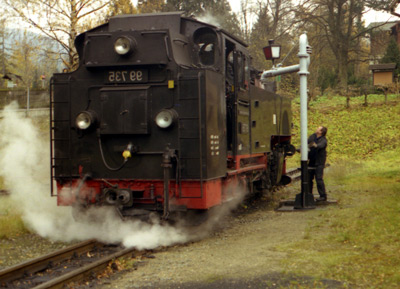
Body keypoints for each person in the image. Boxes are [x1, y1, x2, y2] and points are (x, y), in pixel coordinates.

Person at [308, 126, 328, 201]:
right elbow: (307, 142)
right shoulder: (312, 136)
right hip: (312, 160)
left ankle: (323, 196)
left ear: (321, 132)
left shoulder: (323, 140)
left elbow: (321, 145)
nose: (316, 129)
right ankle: (309, 194)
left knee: (319, 179)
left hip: (319, 162)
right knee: (309, 178)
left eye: (318, 128)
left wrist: (315, 145)